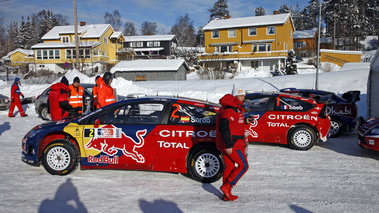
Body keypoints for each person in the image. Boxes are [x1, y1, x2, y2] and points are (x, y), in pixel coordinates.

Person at [216, 83, 251, 201]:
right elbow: (224, 126)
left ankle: (226, 194)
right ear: (236, 96)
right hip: (233, 144)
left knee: (230, 167)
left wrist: (246, 120)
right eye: (241, 96)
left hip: (231, 143)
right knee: (243, 166)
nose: (243, 98)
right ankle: (227, 186)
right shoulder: (230, 108)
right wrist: (229, 144)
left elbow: (233, 123)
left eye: (244, 95)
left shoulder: (234, 107)